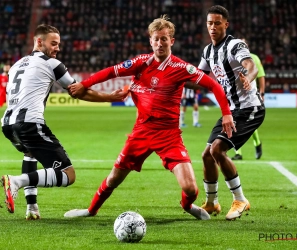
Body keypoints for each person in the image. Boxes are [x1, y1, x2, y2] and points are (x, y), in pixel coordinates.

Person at [64, 15, 236, 220]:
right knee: (113, 179)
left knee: (191, 189)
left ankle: (187, 205)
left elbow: (214, 85)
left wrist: (226, 113)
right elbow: (111, 72)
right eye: (156, 39)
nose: (160, 43)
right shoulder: (140, 62)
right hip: (141, 133)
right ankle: (90, 210)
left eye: (164, 38)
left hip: (169, 136)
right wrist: (85, 84)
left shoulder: (181, 68)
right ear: (150, 41)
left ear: (171, 41)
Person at [0, 24, 127, 220]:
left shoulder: (16, 65)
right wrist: (111, 97)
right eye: (53, 43)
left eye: (58, 44)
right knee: (68, 175)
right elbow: (77, 91)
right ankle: (16, 181)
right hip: (29, 123)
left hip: (8, 124)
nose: (57, 48)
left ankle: (32, 208)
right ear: (39, 41)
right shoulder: (52, 63)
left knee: (30, 154)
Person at [197, 5, 265, 220]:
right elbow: (199, 78)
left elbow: (250, 65)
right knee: (206, 155)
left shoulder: (235, 45)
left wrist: (248, 77)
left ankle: (240, 199)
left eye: (217, 23)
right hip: (231, 110)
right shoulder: (208, 51)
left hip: (249, 108)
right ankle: (211, 203)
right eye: (210, 23)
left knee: (217, 150)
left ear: (226, 24)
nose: (213, 27)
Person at [231, 37, 265, 160]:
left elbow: (261, 76)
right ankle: (238, 153)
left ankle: (257, 143)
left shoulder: (254, 58)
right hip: (235, 97)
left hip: (251, 96)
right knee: (234, 123)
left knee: (249, 124)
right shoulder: (232, 58)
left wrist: (262, 93)